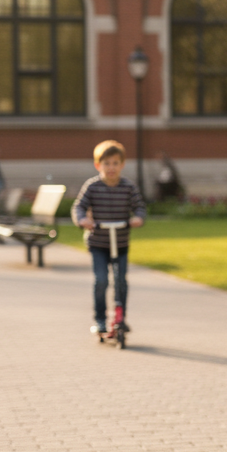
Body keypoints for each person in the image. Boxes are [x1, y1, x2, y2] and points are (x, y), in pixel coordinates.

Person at [72, 140, 147, 336]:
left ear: (122, 165)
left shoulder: (128, 187)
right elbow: (78, 207)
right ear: (98, 165)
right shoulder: (93, 186)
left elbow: (139, 207)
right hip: (99, 243)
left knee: (121, 281)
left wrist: (138, 218)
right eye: (106, 164)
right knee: (102, 280)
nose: (111, 168)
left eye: (115, 163)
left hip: (120, 243)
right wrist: (82, 220)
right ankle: (100, 319)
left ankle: (120, 317)